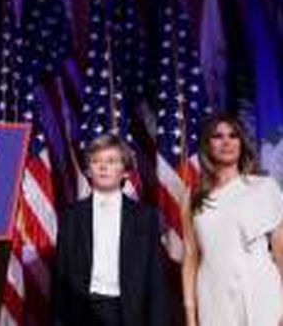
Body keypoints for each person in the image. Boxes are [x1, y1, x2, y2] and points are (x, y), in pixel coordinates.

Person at [53, 134, 167, 326]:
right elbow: (60, 279)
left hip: (128, 313)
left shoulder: (145, 217)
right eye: (96, 161)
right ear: (88, 170)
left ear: (125, 172)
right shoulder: (71, 216)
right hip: (82, 313)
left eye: (111, 161)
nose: (103, 167)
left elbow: (154, 279)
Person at [182, 114, 283, 326]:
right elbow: (190, 257)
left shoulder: (264, 187)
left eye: (233, 135)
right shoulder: (192, 196)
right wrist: (191, 317)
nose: (226, 142)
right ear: (207, 145)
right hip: (213, 293)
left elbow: (280, 252)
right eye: (217, 136)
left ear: (242, 142)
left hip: (262, 292)